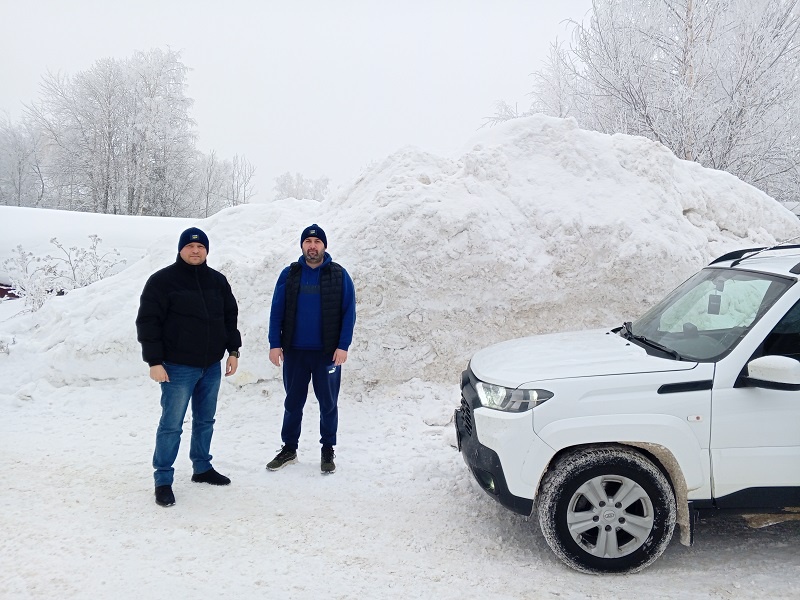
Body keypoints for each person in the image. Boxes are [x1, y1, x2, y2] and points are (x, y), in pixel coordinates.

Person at [136, 227, 242, 507]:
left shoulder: (217, 281)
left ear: (207, 250)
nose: (195, 251)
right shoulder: (162, 281)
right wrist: (154, 361)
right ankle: (163, 480)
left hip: (211, 365)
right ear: (181, 249)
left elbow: (229, 317)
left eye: (201, 247)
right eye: (190, 246)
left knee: (205, 420)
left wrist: (233, 351)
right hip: (177, 367)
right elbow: (148, 322)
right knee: (171, 425)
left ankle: (202, 467)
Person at [267, 224, 356, 474]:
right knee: (293, 402)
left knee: (328, 403)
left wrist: (342, 346)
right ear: (302, 246)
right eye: (308, 242)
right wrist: (275, 344)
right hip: (295, 352)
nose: (312, 246)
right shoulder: (290, 274)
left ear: (324, 246)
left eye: (317, 242)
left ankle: (327, 449)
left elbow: (349, 312)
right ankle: (289, 448)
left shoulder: (339, 275)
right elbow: (277, 310)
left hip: (327, 354)